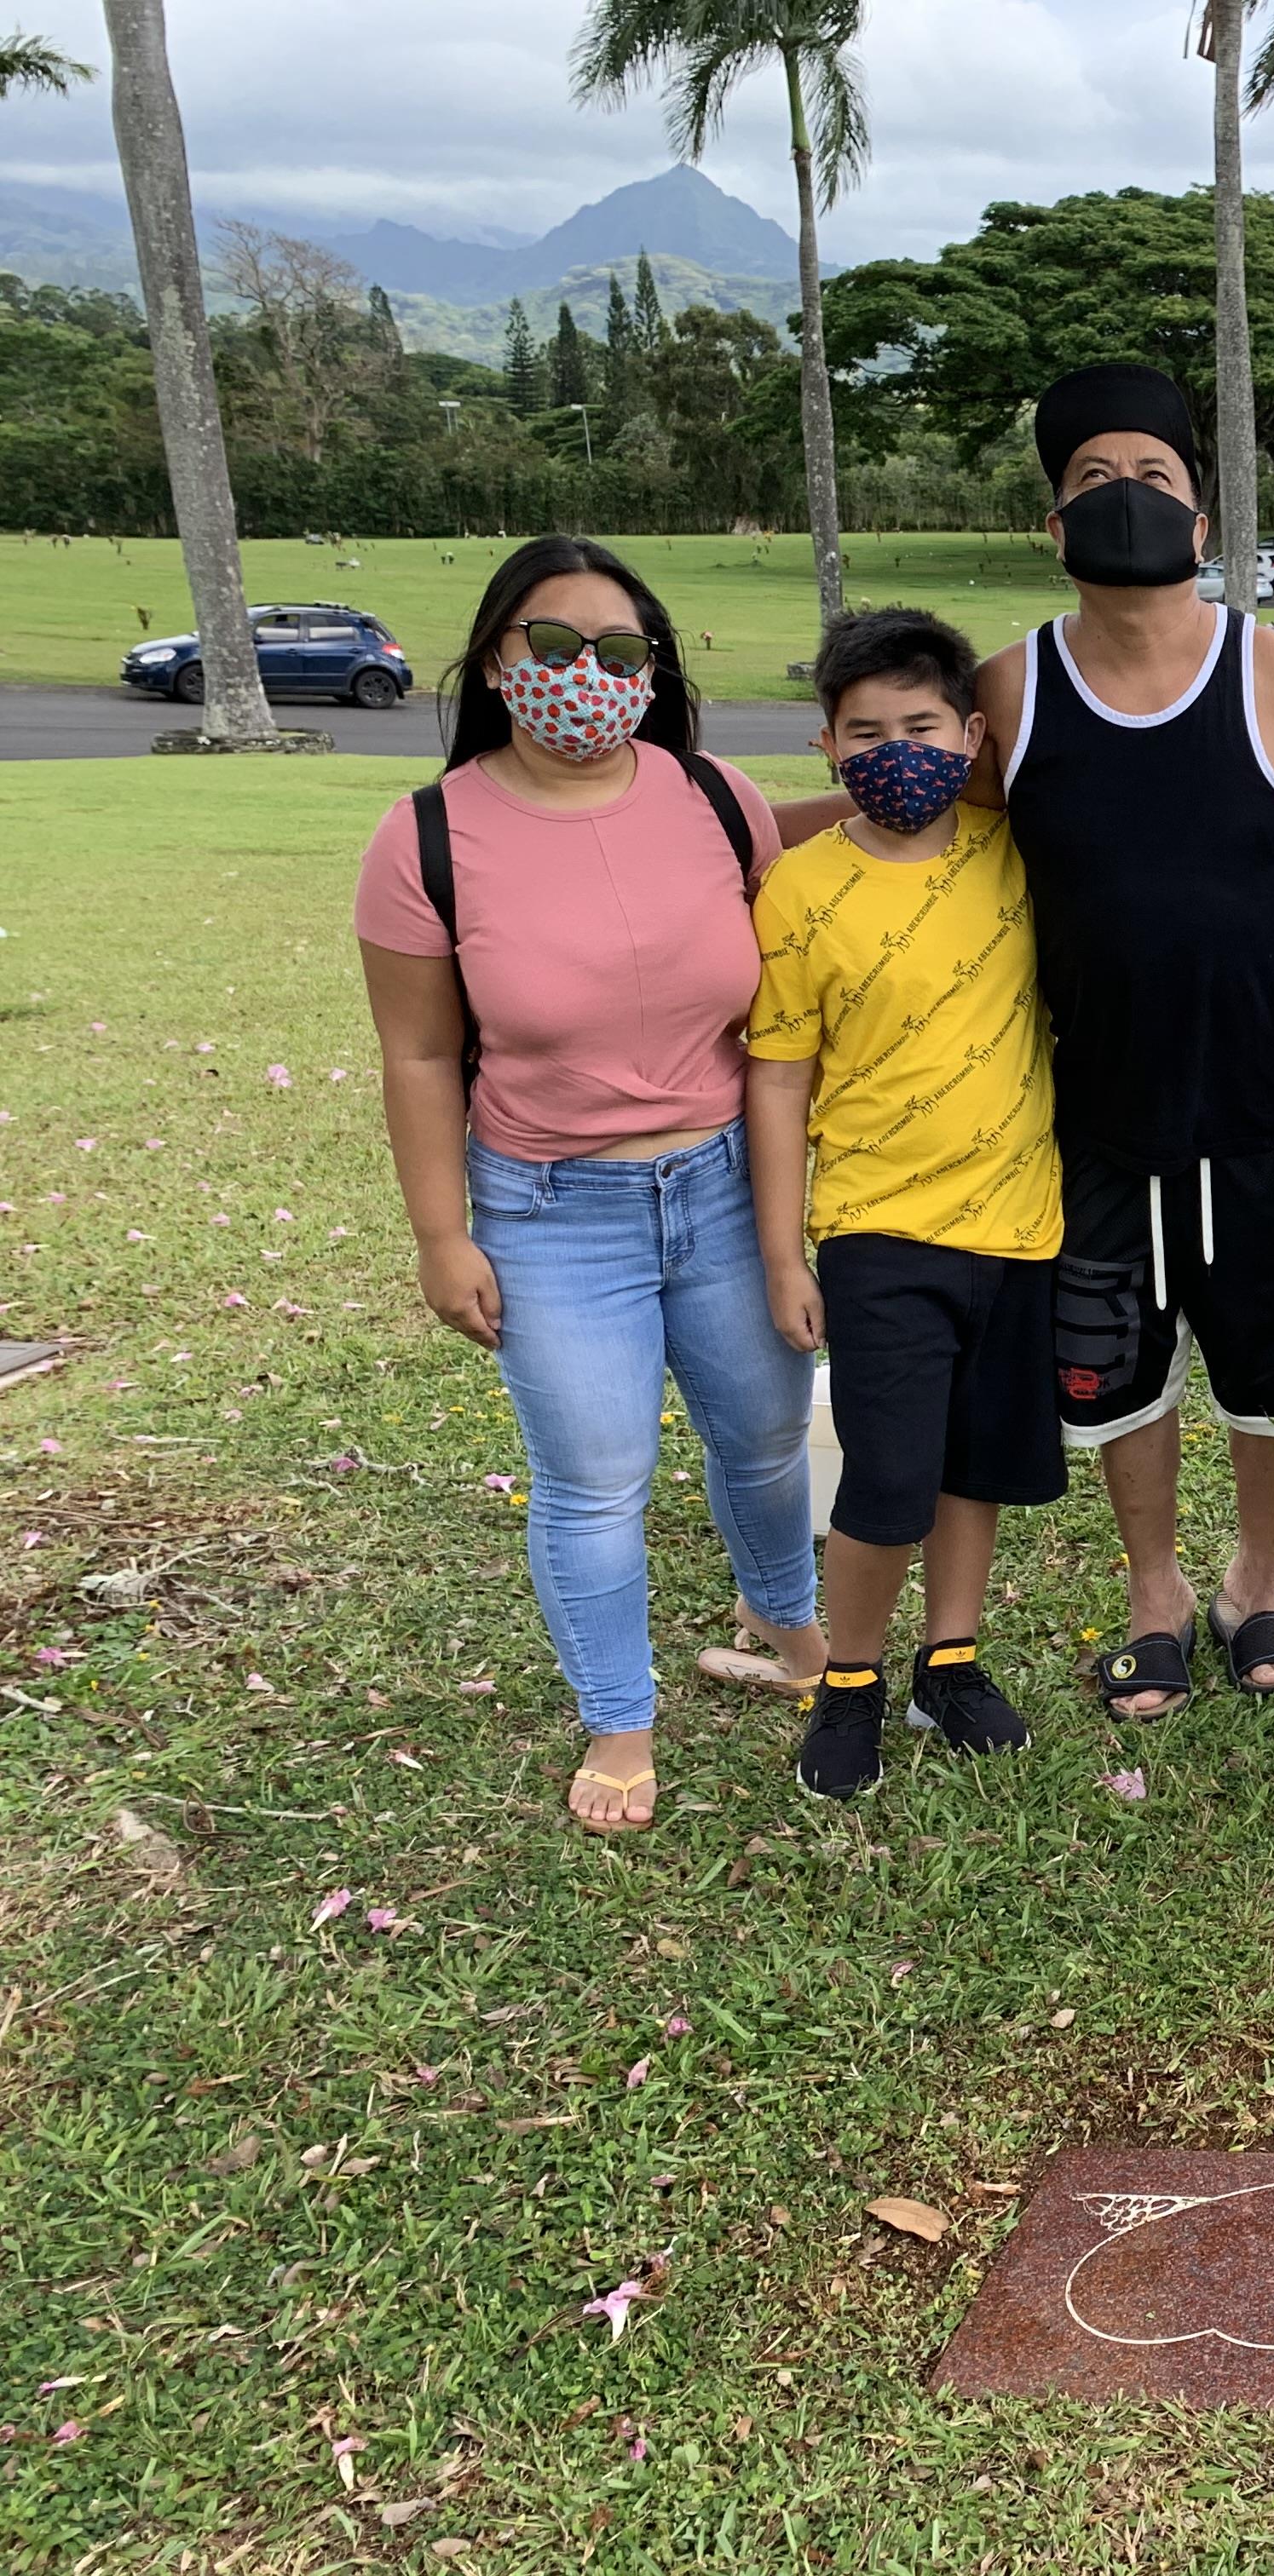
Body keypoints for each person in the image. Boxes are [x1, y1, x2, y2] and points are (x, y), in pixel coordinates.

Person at [963, 363, 1274, 1719]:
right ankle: (1155, 1593)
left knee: (1273, 1374)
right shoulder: (1010, 688)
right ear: (1054, 525)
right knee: (1118, 1368)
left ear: (1204, 523)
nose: (1125, 500)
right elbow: (916, 827)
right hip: (1096, 1106)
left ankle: (1256, 1577)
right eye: (1091, 480)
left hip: (1270, 1106)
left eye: (1153, 478)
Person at [355, 535, 820, 1836]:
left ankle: (785, 1623)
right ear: (496, 663)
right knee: (595, 1476)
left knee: (767, 1436)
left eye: (617, 652)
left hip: (727, 1188)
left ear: (654, 669)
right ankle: (621, 1717)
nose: (584, 675)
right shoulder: (428, 837)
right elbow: (420, 1051)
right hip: (551, 1210)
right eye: (550, 647)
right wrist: (441, 1236)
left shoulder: (717, 798)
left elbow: (790, 997)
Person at [745, 607, 1063, 1798]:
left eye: (921, 726)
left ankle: (953, 1660)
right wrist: (786, 1254)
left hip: (1021, 1221)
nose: (896, 749)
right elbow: (778, 1079)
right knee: (886, 1476)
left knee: (974, 1464)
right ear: (827, 742)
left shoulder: (1018, 856)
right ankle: (851, 1683)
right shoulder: (803, 889)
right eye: (865, 730)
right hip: (878, 1231)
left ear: (973, 733)